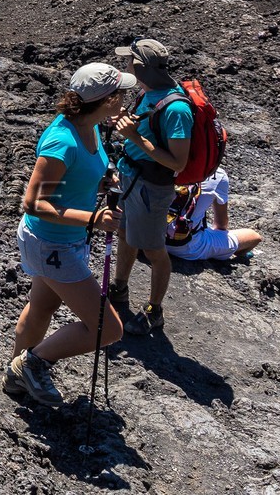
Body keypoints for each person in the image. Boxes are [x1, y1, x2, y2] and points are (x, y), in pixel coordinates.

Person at [6, 62, 133, 407]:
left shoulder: (89, 128)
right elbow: (33, 203)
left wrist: (102, 180)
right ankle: (33, 364)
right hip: (52, 244)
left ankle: (15, 379)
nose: (126, 98)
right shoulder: (62, 141)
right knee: (109, 329)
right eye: (121, 93)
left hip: (60, 241)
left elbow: (80, 174)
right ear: (107, 100)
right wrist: (94, 218)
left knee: (41, 309)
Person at [107, 38, 191, 336]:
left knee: (154, 250)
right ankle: (119, 287)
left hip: (151, 187)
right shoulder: (147, 93)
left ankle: (154, 310)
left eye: (128, 62)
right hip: (132, 177)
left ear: (140, 66)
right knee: (126, 233)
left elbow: (178, 163)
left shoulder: (176, 109)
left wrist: (134, 137)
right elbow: (139, 128)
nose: (125, 66)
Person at [167, 166, 262, 261]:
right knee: (254, 236)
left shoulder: (164, 159)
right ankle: (233, 252)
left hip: (153, 237)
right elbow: (221, 225)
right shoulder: (217, 174)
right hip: (184, 247)